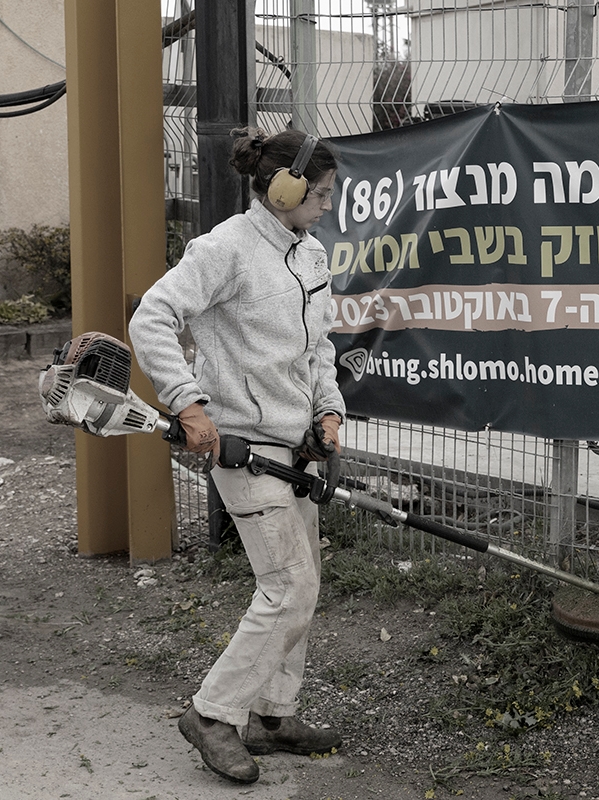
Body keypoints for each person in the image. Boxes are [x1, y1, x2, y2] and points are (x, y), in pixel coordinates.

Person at [129, 126, 346, 784]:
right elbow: (152, 317)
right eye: (322, 194)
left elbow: (319, 348)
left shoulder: (308, 254)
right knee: (288, 585)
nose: (329, 205)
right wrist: (190, 406)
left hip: (297, 445)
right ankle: (213, 714)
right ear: (283, 189)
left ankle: (274, 715)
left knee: (302, 577)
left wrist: (328, 412)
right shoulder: (225, 248)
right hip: (241, 447)